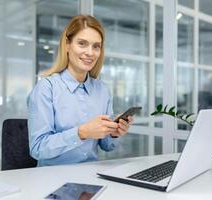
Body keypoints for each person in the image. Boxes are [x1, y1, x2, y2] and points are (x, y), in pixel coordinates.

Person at [27, 15, 133, 167]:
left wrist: (113, 133)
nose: (90, 53)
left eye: (96, 46)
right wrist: (81, 133)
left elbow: (106, 145)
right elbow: (38, 148)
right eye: (82, 44)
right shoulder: (46, 88)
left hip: (91, 175)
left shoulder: (102, 90)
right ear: (67, 45)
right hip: (52, 178)